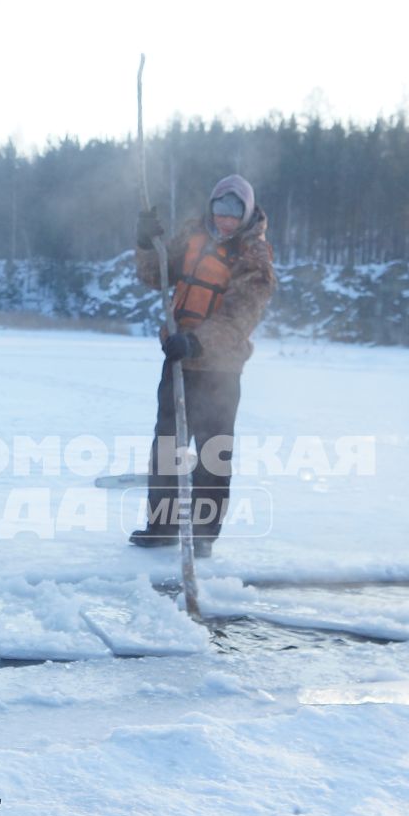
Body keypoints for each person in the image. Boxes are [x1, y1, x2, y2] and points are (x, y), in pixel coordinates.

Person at [129, 175, 276, 557]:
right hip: (178, 360)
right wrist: (147, 243)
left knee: (213, 453)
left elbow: (241, 315)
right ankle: (161, 527)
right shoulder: (193, 236)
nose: (225, 218)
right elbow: (155, 275)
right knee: (167, 445)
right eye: (220, 208)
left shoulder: (254, 256)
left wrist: (196, 342)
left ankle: (203, 533)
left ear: (246, 214)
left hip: (219, 369)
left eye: (234, 211)